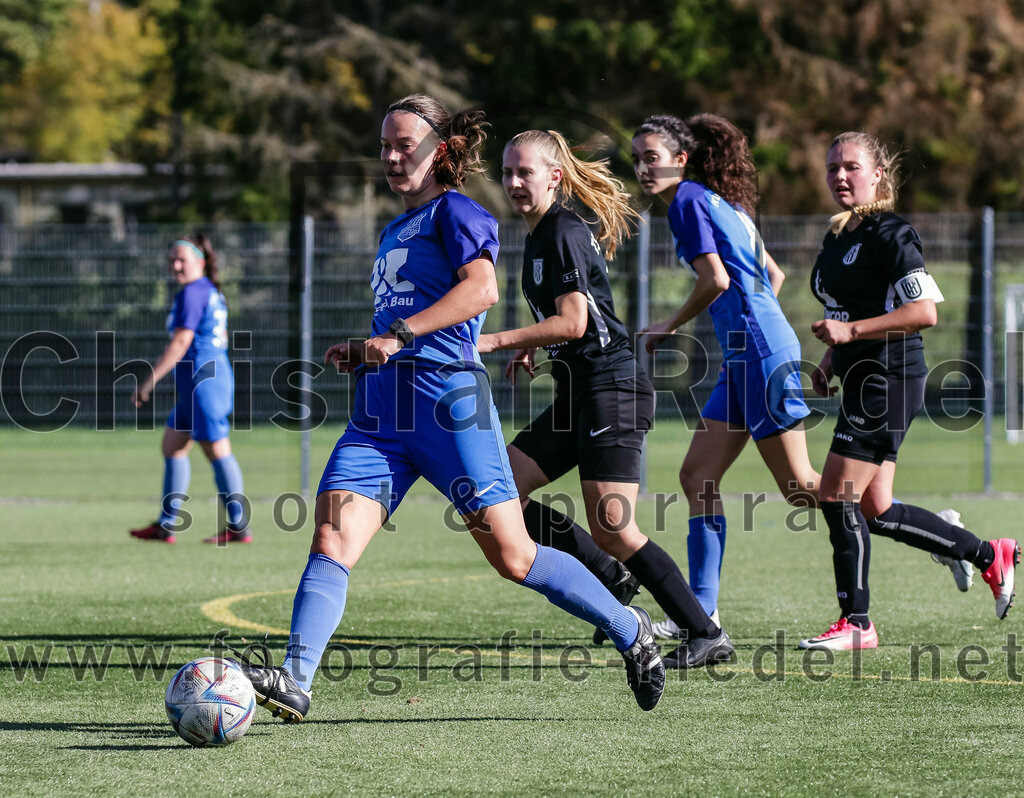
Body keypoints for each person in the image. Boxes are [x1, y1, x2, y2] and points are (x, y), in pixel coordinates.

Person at [226, 95, 665, 720]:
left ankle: (632, 631)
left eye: (404, 143)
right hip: (380, 415)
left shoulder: (458, 212)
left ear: (443, 150)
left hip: (447, 404)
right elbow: (404, 313)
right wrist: (369, 345)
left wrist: (400, 336)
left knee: (514, 558)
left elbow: (480, 289)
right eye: (384, 145)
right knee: (330, 535)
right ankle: (297, 680)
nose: (391, 155)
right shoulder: (392, 229)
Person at [477, 129, 733, 669]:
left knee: (615, 527)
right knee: (502, 493)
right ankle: (612, 576)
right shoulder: (541, 234)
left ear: (556, 176)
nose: (515, 182)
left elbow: (573, 322)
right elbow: (574, 324)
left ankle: (705, 632)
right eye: (508, 172)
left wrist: (498, 340)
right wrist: (534, 349)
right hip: (580, 390)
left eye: (527, 172)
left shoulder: (562, 231)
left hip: (611, 390)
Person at [799, 131, 1018, 650]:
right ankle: (989, 554)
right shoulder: (838, 236)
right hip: (861, 379)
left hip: (890, 379)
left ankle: (857, 623)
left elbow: (924, 313)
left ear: (878, 175)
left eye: (851, 167)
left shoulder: (891, 232)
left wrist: (850, 334)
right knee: (877, 508)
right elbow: (849, 310)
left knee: (835, 495)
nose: (839, 176)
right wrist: (832, 356)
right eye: (832, 168)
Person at [631, 114, 819, 635]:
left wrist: (670, 324)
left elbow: (714, 279)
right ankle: (702, 611)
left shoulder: (689, 201)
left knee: (802, 488)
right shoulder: (726, 205)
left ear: (681, 158)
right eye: (637, 159)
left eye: (652, 157)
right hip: (753, 350)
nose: (643, 168)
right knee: (697, 476)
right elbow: (772, 275)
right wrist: (755, 325)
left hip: (758, 351)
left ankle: (946, 536)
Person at [129, 234, 250, 545]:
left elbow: (182, 342)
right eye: (172, 260)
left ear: (201, 261)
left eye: (182, 259)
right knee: (172, 446)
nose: (176, 265)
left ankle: (239, 526)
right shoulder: (205, 291)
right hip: (199, 382)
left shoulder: (193, 293)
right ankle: (167, 524)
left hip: (204, 382)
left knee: (216, 448)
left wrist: (150, 380)